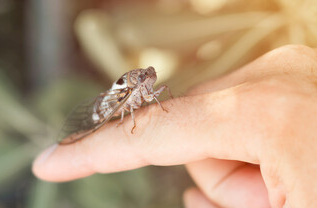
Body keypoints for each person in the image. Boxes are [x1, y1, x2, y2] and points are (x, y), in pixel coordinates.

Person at [33, 45, 317, 207]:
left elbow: (158, 92)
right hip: (109, 106)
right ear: (139, 82)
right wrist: (130, 115)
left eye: (150, 78)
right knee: (113, 116)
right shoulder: (129, 93)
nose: (150, 81)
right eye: (146, 79)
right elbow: (129, 106)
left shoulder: (150, 87)